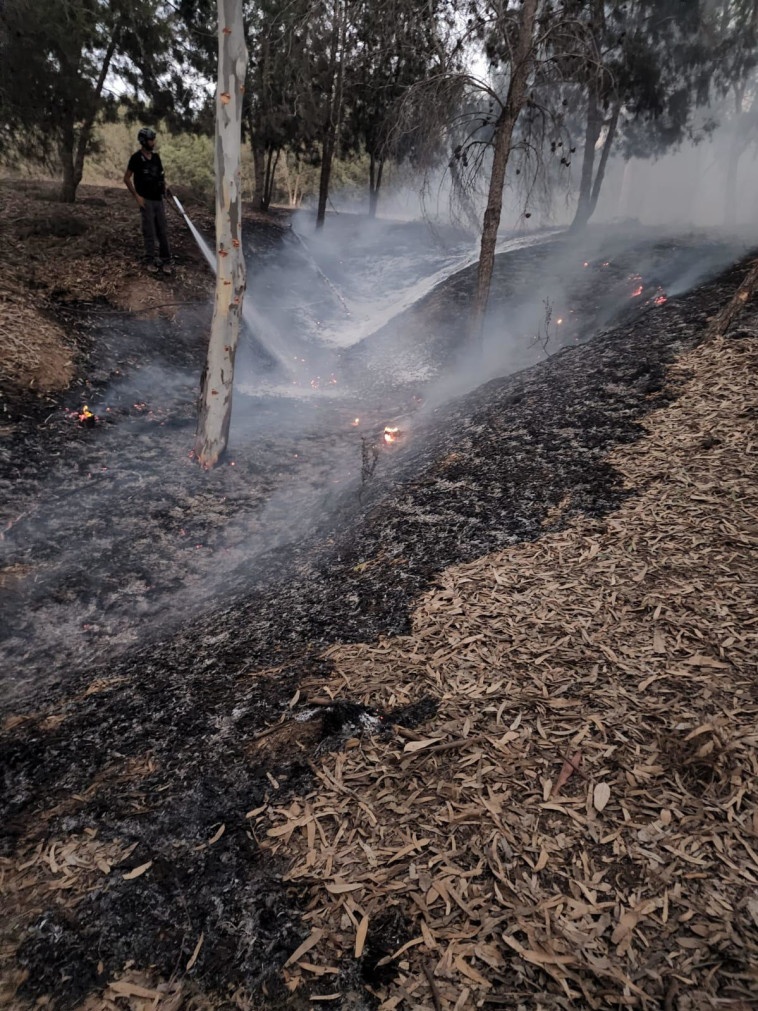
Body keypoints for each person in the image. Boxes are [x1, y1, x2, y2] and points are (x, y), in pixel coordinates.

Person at [124, 127, 173, 274]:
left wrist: (165, 187)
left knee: (162, 230)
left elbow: (161, 176)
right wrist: (137, 197)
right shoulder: (136, 158)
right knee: (149, 231)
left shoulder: (156, 158)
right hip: (146, 201)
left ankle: (166, 261)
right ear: (144, 141)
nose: (153, 142)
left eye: (153, 139)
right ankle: (150, 260)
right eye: (151, 140)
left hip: (158, 200)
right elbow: (126, 178)